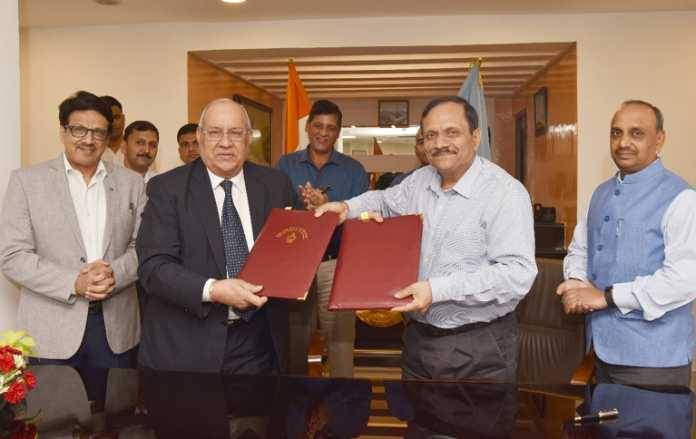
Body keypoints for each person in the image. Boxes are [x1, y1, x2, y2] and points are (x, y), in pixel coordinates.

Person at [316, 96, 537, 381]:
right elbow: (384, 201)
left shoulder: (505, 192)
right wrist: (347, 207)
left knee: (474, 414)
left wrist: (436, 290)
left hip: (478, 346)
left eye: (452, 132)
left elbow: (517, 275)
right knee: (415, 411)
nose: (440, 143)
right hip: (418, 340)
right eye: (430, 135)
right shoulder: (420, 181)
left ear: (476, 137)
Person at [136, 98, 295, 373]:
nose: (225, 143)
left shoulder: (276, 184)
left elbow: (295, 248)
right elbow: (154, 267)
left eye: (235, 133)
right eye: (215, 132)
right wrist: (213, 290)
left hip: (258, 344)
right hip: (187, 346)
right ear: (199, 137)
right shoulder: (167, 189)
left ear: (248, 138)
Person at [0, 90, 144, 372]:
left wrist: (113, 274)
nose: (88, 140)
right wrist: (74, 282)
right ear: (63, 131)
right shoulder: (27, 182)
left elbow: (143, 246)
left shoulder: (132, 184)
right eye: (79, 129)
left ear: (108, 136)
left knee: (116, 403)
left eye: (98, 132)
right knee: (52, 403)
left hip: (116, 331)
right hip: (50, 333)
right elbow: (13, 255)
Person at [557, 100, 696, 387]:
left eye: (636, 133)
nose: (623, 143)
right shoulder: (601, 193)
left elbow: (685, 279)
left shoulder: (682, 198)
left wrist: (607, 297)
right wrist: (576, 282)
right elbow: (581, 249)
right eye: (616, 133)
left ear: (659, 139)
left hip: (654, 360)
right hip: (599, 352)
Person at [277, 99, 369, 377]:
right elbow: (275, 215)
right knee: (293, 341)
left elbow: (363, 221)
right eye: (318, 126)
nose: (323, 133)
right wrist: (302, 208)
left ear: (338, 132)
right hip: (295, 264)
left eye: (331, 128)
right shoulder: (285, 165)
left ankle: (341, 399)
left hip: (335, 264)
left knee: (341, 344)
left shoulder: (354, 170)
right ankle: (295, 399)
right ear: (307, 127)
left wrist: (329, 206)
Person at [99, 95, 126, 164]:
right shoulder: (90, 151)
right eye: (107, 118)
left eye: (116, 117)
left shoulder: (137, 149)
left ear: (123, 118)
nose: (113, 123)